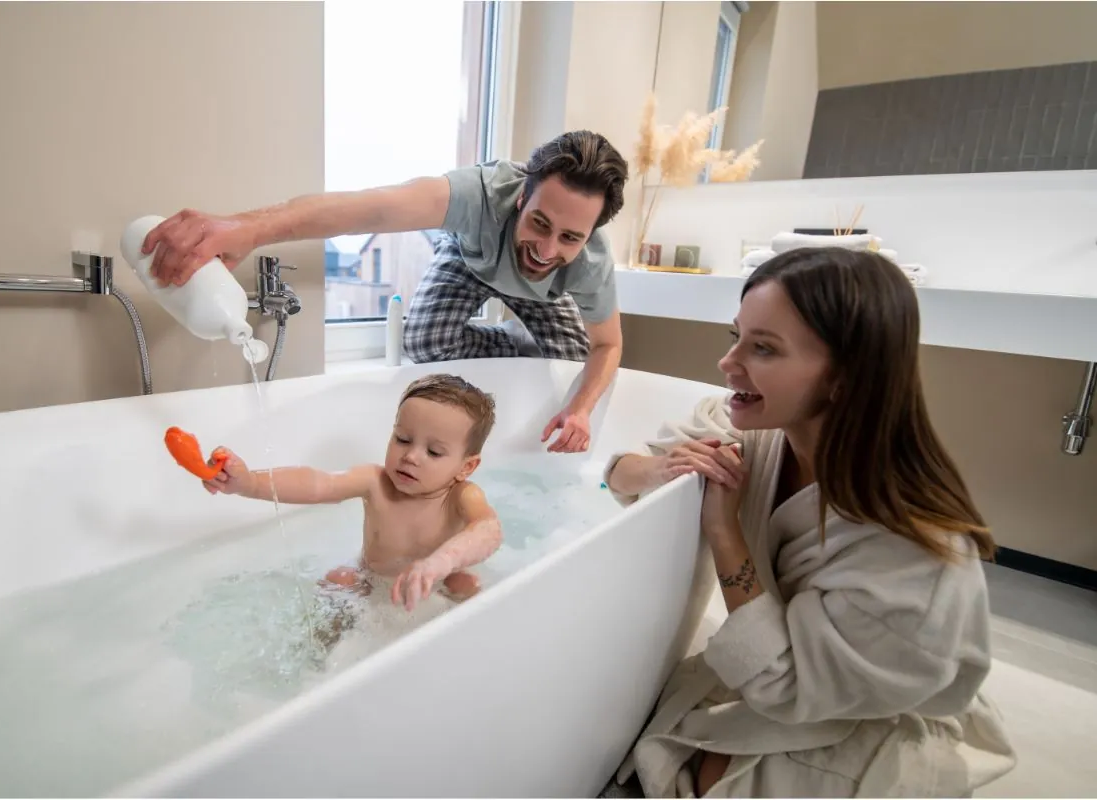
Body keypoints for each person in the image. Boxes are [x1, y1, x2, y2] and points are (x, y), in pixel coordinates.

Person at [602, 247, 1017, 797]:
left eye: (764, 348)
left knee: (713, 778)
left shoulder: (912, 550)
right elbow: (618, 474)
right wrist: (662, 467)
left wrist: (725, 534)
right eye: (737, 337)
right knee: (670, 749)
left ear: (843, 379)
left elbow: (786, 684)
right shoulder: (756, 437)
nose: (728, 363)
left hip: (874, 710)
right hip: (790, 675)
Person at [140, 130, 630, 456]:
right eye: (539, 223)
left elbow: (608, 345)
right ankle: (514, 340)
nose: (545, 250)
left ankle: (528, 344)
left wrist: (581, 408)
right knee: (424, 342)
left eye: (569, 237)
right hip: (473, 261)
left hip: (545, 300)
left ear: (588, 236)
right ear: (522, 196)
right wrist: (245, 229)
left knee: (570, 364)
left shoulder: (589, 264)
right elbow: (368, 210)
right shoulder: (479, 195)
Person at [203, 373, 502, 612]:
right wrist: (248, 483)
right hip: (371, 576)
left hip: (441, 577)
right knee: (339, 579)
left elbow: (489, 530)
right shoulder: (375, 480)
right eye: (402, 439)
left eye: (434, 452)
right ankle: (320, 662)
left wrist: (442, 562)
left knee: (469, 586)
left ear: (466, 467)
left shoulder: (462, 496)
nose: (411, 456)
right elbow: (318, 484)